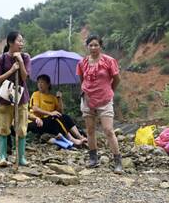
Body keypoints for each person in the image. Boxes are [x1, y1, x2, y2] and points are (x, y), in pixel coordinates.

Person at [76, 34, 123, 171]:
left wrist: (110, 91)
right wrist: (85, 91)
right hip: (88, 99)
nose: (93, 47)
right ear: (87, 47)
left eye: (96, 45)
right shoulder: (82, 62)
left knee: (108, 130)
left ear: (101, 46)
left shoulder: (109, 61)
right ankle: (93, 158)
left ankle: (118, 161)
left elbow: (117, 79)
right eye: (91, 45)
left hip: (105, 99)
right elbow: (81, 79)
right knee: (90, 130)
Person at [0, 31, 31, 167]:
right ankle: (3, 156)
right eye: (19, 41)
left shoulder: (26, 57)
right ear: (10, 43)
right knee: (3, 128)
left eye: (22, 41)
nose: (21, 44)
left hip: (21, 98)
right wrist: (11, 70)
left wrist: (20, 61)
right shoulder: (1, 59)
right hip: (5, 99)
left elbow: (25, 77)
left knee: (21, 128)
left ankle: (21, 157)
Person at [28, 74, 87, 146]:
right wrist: (50, 113)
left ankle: (80, 136)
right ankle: (73, 140)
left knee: (65, 117)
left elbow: (60, 112)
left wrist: (60, 99)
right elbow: (35, 109)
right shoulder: (36, 94)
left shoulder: (52, 97)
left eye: (42, 82)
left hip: (49, 121)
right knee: (55, 118)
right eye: (38, 82)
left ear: (48, 84)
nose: (40, 84)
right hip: (37, 121)